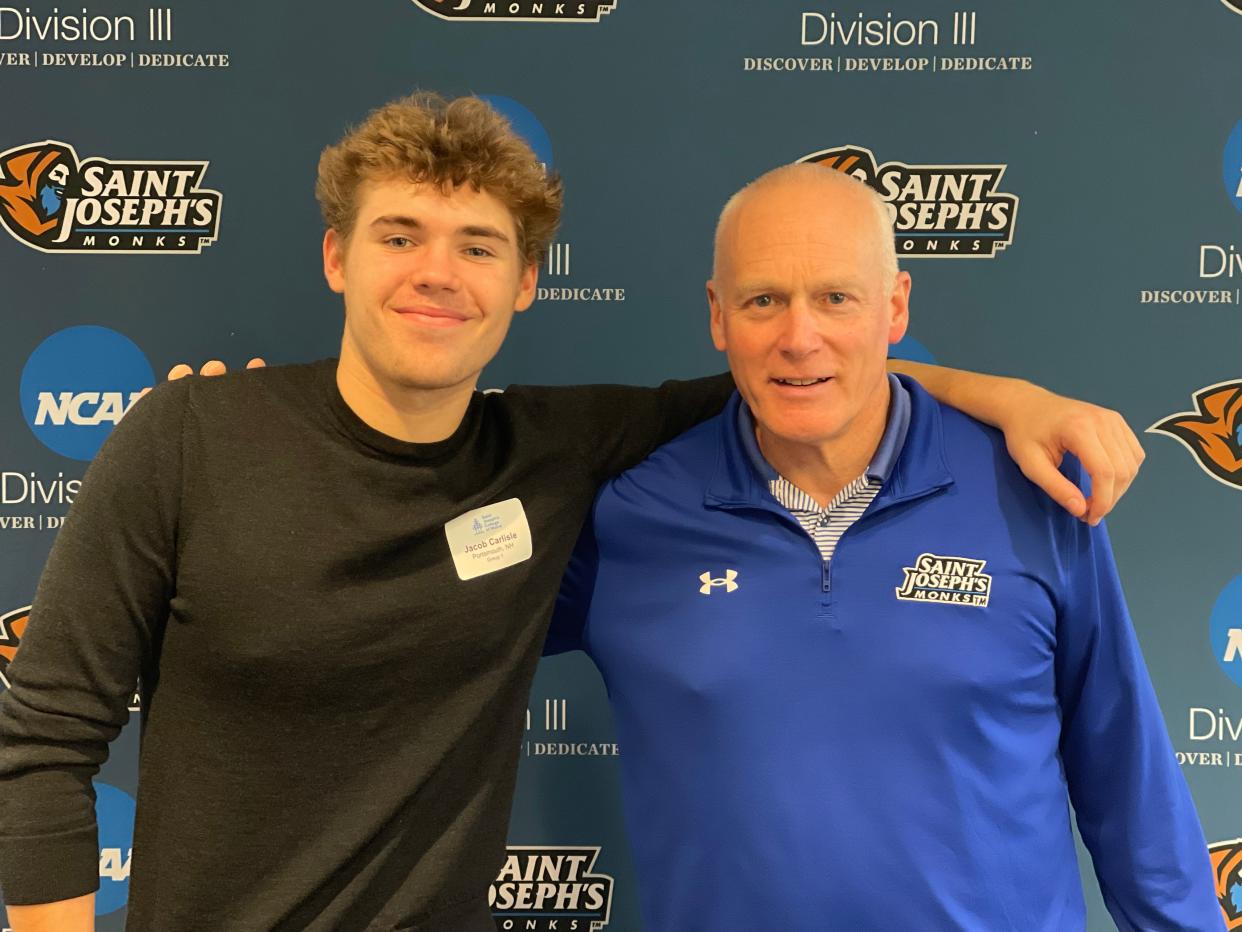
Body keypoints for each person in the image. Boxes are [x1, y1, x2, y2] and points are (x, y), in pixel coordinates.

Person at [0, 93, 1144, 932]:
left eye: (479, 246)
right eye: (400, 235)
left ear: (526, 281)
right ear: (337, 255)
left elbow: (808, 371)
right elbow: (44, 741)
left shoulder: (552, 455)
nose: (437, 273)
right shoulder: (188, 436)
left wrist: (1019, 398)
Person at [547, 163, 1223, 931]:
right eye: (763, 300)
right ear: (717, 315)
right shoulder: (633, 515)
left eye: (836, 297)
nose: (800, 338)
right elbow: (441, 652)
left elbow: (1125, 769)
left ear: (895, 306)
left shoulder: (1033, 492)